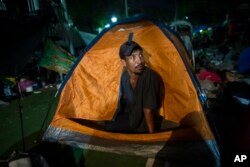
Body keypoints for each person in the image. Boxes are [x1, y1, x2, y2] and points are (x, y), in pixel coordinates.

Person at [106, 38, 163, 133]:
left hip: (145, 123)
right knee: (109, 126)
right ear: (124, 62)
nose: (139, 61)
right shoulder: (125, 77)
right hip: (133, 117)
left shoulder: (149, 76)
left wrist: (152, 136)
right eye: (133, 57)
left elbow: (148, 110)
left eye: (140, 55)